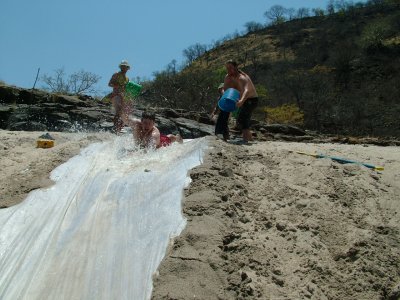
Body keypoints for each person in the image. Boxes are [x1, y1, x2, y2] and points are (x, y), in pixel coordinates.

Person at [224, 59, 258, 143]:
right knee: (241, 119)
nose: (228, 70)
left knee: (243, 118)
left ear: (236, 67)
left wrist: (242, 101)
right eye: (227, 68)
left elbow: (247, 90)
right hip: (241, 99)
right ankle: (250, 139)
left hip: (251, 99)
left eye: (230, 68)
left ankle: (245, 139)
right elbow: (226, 90)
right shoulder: (228, 77)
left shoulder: (242, 77)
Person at [108, 60, 130, 133]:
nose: (124, 68)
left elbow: (126, 89)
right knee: (119, 111)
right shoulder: (116, 74)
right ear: (120, 67)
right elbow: (109, 84)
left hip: (123, 97)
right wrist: (116, 85)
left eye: (125, 66)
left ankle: (119, 127)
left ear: (127, 68)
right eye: (122, 66)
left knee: (124, 112)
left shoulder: (127, 79)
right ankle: (115, 127)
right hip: (116, 96)